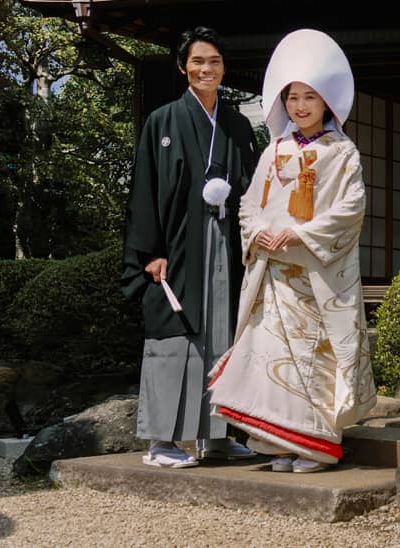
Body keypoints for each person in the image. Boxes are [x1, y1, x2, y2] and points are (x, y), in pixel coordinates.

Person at [208, 29, 375, 473]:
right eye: (293, 97)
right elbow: (249, 205)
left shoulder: (342, 152)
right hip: (273, 276)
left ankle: (316, 447)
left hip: (314, 278)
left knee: (312, 359)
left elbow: (350, 210)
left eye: (310, 97)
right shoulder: (274, 150)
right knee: (270, 360)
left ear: (327, 102)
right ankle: (280, 444)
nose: (300, 106)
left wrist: (300, 236)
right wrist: (259, 232)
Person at [121, 26, 261, 468]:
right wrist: (150, 251)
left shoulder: (237, 124)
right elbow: (144, 189)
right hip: (178, 245)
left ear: (224, 68)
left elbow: (254, 185)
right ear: (183, 68)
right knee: (175, 334)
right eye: (198, 61)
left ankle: (218, 437)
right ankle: (162, 440)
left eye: (214, 62)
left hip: (225, 241)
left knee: (225, 334)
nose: (207, 69)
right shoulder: (162, 121)